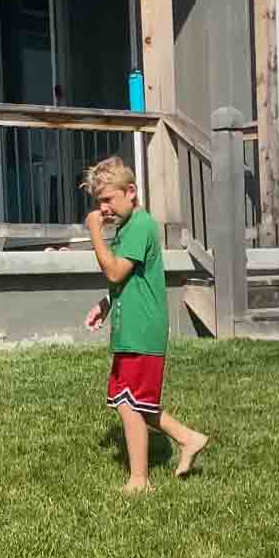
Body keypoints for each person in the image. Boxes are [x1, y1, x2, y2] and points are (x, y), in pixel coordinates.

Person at [82, 155, 208, 494]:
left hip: (142, 330)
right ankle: (188, 438)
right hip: (130, 328)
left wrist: (94, 233)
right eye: (98, 203)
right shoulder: (127, 228)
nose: (103, 208)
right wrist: (106, 303)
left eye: (108, 199)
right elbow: (129, 280)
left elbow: (114, 271)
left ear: (131, 191)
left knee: (129, 403)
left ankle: (140, 480)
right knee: (133, 400)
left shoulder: (140, 226)